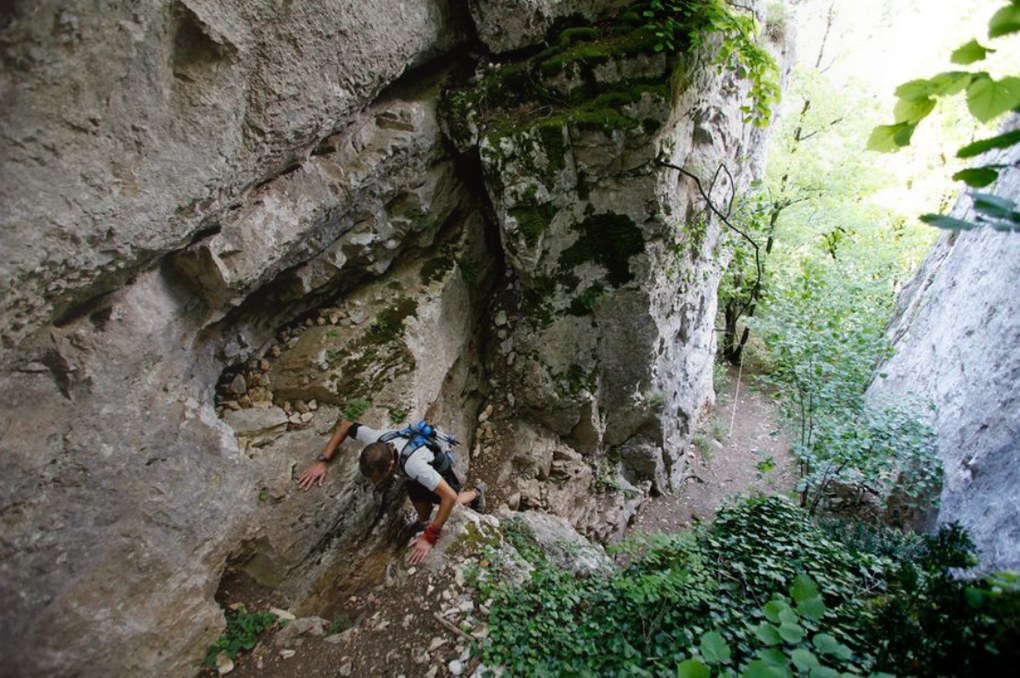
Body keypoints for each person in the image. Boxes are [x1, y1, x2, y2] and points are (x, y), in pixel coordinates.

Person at [297, 418, 485, 565]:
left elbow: (449, 497)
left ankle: (477, 493)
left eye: (379, 477)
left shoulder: (415, 466)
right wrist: (322, 460)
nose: (377, 482)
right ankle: (423, 524)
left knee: (450, 505)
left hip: (435, 470)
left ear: (391, 466)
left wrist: (430, 537)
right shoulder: (374, 439)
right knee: (424, 514)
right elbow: (346, 425)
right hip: (411, 477)